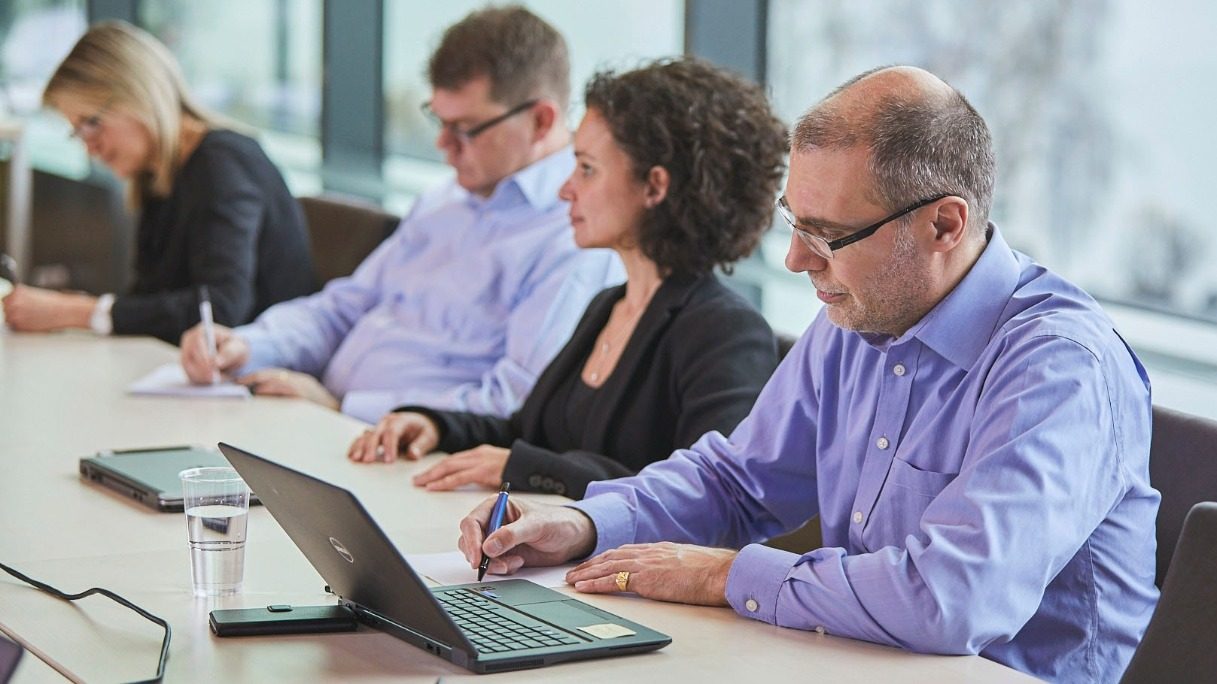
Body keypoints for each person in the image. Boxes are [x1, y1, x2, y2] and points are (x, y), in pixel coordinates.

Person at [455, 66, 1160, 682]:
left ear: (945, 225)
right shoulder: (859, 317)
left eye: (826, 234)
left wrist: (726, 574)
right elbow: (735, 481)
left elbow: (949, 600)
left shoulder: (1061, 367)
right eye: (793, 221)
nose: (795, 260)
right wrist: (581, 522)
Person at [347, 58, 786, 499]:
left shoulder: (725, 331)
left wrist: (528, 468)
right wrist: (435, 424)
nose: (564, 189)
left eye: (587, 169)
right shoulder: (609, 305)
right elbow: (527, 431)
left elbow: (706, 497)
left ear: (654, 187)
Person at [178, 7, 620, 423]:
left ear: (541, 121)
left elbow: (513, 402)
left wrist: (343, 407)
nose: (442, 146)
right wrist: (249, 344)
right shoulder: (446, 200)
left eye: (465, 129)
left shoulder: (573, 236)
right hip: (328, 425)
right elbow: (345, 307)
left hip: (413, 454)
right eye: (438, 121)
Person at [2, 21, 313, 344]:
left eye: (92, 123)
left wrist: (81, 311)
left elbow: (221, 308)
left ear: (139, 95)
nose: (89, 147)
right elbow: (150, 296)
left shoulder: (222, 163)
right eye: (77, 132)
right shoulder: (157, 176)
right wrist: (80, 311)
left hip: (262, 374)